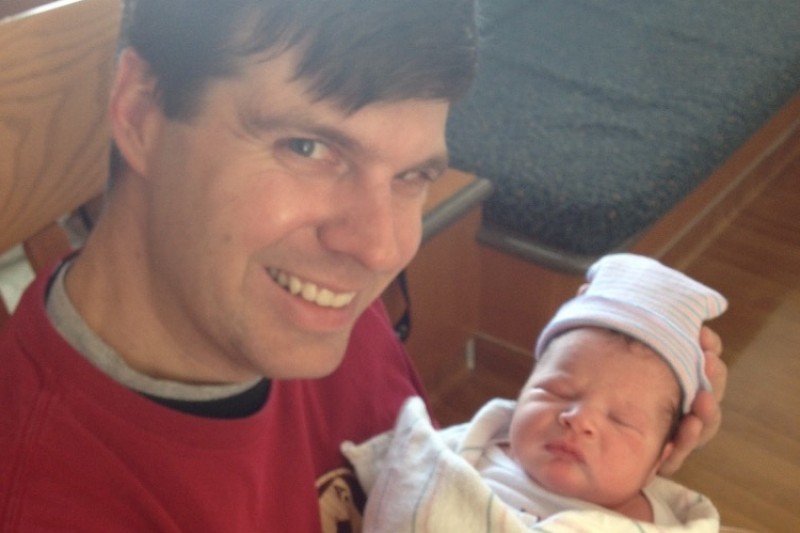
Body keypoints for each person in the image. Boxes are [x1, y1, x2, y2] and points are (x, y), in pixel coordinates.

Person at [0, 0, 724, 530]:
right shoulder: (49, 500)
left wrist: (610, 465)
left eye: (411, 176)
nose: (380, 248)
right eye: (309, 148)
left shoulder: (305, 301)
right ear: (142, 111)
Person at [343, 254, 726, 532]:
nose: (579, 419)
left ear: (663, 457)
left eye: (620, 419)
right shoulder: (469, 455)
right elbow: (408, 483)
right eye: (557, 391)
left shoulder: (656, 522)